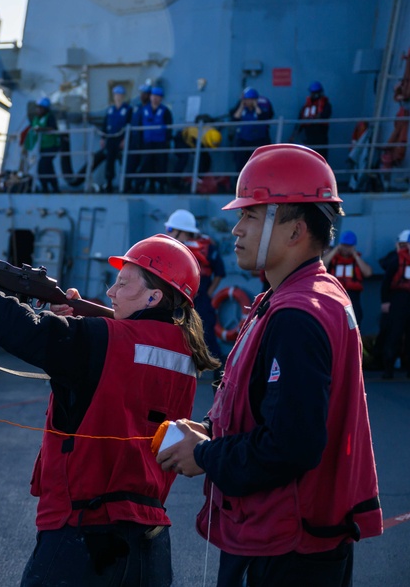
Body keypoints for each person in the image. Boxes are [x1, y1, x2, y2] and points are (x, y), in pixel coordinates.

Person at [0, 235, 221, 586]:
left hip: (83, 543)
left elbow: (26, 332)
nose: (110, 292)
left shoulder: (103, 339)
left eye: (123, 283)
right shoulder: (186, 356)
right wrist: (81, 325)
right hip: (150, 546)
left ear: (153, 297)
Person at [157, 144, 383, 586]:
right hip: (297, 540)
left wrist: (203, 454)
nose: (236, 229)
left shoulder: (296, 314)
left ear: (296, 229)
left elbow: (292, 444)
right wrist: (213, 429)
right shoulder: (312, 295)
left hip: (283, 548)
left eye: (252, 215)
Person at [164, 209, 226, 381]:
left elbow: (219, 272)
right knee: (175, 333)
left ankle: (220, 377)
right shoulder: (174, 249)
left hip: (200, 298)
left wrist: (209, 293)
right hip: (179, 299)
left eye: (170, 230)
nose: (168, 233)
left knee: (208, 334)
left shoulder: (206, 248)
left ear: (183, 231)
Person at [74, 85, 133, 193]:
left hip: (121, 140)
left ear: (123, 96)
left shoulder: (128, 110)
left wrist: (125, 139)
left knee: (124, 162)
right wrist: (103, 138)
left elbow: (129, 124)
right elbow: (105, 125)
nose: (118, 97)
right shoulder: (110, 110)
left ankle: (126, 185)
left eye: (120, 95)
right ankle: (109, 183)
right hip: (110, 139)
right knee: (109, 162)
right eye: (116, 95)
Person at [324, 230, 373, 326]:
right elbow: (322, 264)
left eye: (349, 246)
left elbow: (368, 273)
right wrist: (335, 250)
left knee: (352, 324)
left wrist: (355, 255)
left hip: (352, 297)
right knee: (334, 322)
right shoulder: (333, 259)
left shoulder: (356, 261)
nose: (346, 249)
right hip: (334, 296)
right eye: (344, 245)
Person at [379, 228, 410, 379]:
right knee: (394, 334)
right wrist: (385, 301)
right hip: (399, 299)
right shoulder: (397, 259)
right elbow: (386, 282)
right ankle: (388, 369)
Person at [131, 86, 173, 193]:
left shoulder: (165, 111)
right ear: (150, 97)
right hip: (147, 142)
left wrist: (167, 141)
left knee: (160, 164)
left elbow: (169, 127)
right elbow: (139, 127)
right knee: (145, 164)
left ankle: (161, 185)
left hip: (160, 142)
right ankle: (140, 185)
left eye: (157, 97)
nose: (155, 99)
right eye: (153, 96)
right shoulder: (143, 110)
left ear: (161, 98)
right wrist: (139, 142)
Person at [229, 87, 274, 170]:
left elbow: (264, 118)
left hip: (259, 140)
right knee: (241, 164)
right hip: (243, 140)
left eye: (248, 99)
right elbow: (234, 119)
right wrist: (241, 106)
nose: (246, 101)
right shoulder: (241, 107)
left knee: (259, 164)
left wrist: (255, 105)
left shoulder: (262, 107)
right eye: (244, 99)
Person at [25, 97, 62, 193]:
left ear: (45, 109)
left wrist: (42, 129)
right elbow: (31, 130)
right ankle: (50, 188)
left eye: (40, 108)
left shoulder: (50, 117)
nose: (38, 110)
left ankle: (50, 188)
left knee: (43, 167)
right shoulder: (36, 119)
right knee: (47, 168)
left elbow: (52, 128)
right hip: (42, 147)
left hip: (52, 146)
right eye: (37, 108)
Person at [289, 81, 332, 158]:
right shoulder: (306, 106)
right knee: (309, 158)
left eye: (315, 93)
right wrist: (293, 135)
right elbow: (300, 121)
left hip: (321, 137)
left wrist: (315, 118)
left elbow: (325, 115)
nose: (313, 95)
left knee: (321, 158)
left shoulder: (326, 105)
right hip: (308, 137)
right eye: (312, 93)